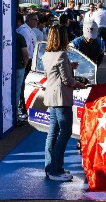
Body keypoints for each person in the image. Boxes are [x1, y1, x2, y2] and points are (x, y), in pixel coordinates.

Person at [42, 25, 86, 181]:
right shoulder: (62, 55)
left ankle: (50, 167)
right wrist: (82, 85)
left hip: (50, 97)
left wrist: (69, 66)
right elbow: (68, 80)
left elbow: (51, 74)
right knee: (65, 132)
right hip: (61, 98)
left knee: (52, 133)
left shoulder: (47, 54)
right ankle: (56, 170)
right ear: (62, 37)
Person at [17, 13, 38, 121]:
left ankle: (24, 108)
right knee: (22, 87)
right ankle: (22, 109)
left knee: (25, 86)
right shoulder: (24, 30)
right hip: (26, 61)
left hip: (30, 60)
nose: (36, 22)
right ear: (29, 19)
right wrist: (25, 64)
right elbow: (24, 50)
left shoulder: (30, 30)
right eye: (35, 19)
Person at [15, 31, 29, 125]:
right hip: (18, 68)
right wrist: (24, 66)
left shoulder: (0, 34)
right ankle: (15, 117)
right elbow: (26, 55)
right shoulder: (19, 37)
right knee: (17, 93)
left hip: (5, 69)